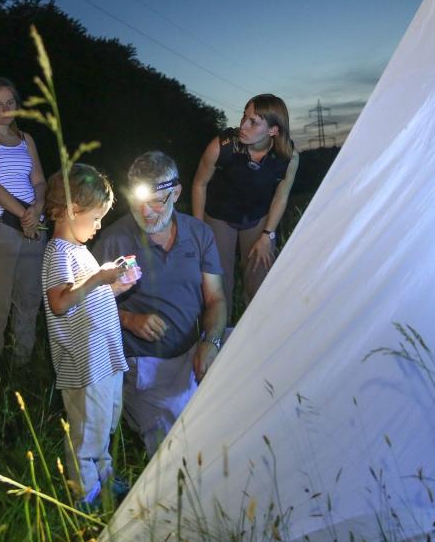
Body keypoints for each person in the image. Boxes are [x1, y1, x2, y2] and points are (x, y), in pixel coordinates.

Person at [92, 151, 226, 455]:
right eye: (138, 202)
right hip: (144, 368)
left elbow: (216, 298)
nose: (147, 212)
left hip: (194, 352)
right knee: (174, 440)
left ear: (176, 193)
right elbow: (87, 307)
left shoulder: (199, 234)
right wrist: (128, 320)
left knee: (251, 347)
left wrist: (212, 341)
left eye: (156, 201)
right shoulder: (113, 241)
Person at [41, 164, 136, 505]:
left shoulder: (79, 252)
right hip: (84, 362)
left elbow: (88, 299)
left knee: (103, 423)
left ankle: (105, 479)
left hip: (103, 356)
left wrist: (116, 285)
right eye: (95, 218)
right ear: (69, 211)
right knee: (87, 430)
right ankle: (86, 496)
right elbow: (61, 302)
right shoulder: (58, 254)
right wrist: (98, 278)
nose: (98, 227)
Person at [191, 94, 297, 322]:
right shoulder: (222, 146)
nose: (243, 126)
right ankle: (217, 343)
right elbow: (200, 184)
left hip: (257, 217)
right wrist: (198, 229)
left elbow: (281, 196)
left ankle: (259, 337)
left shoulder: (288, 156)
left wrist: (268, 235)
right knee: (219, 283)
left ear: (273, 131)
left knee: (259, 278)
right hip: (219, 216)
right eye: (244, 117)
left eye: (254, 122)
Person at [0, 77, 47, 379]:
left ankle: (21, 365)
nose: (5, 109)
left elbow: (39, 180)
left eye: (10, 103)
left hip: (33, 224)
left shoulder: (27, 139)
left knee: (29, 296)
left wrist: (37, 208)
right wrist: (23, 214)